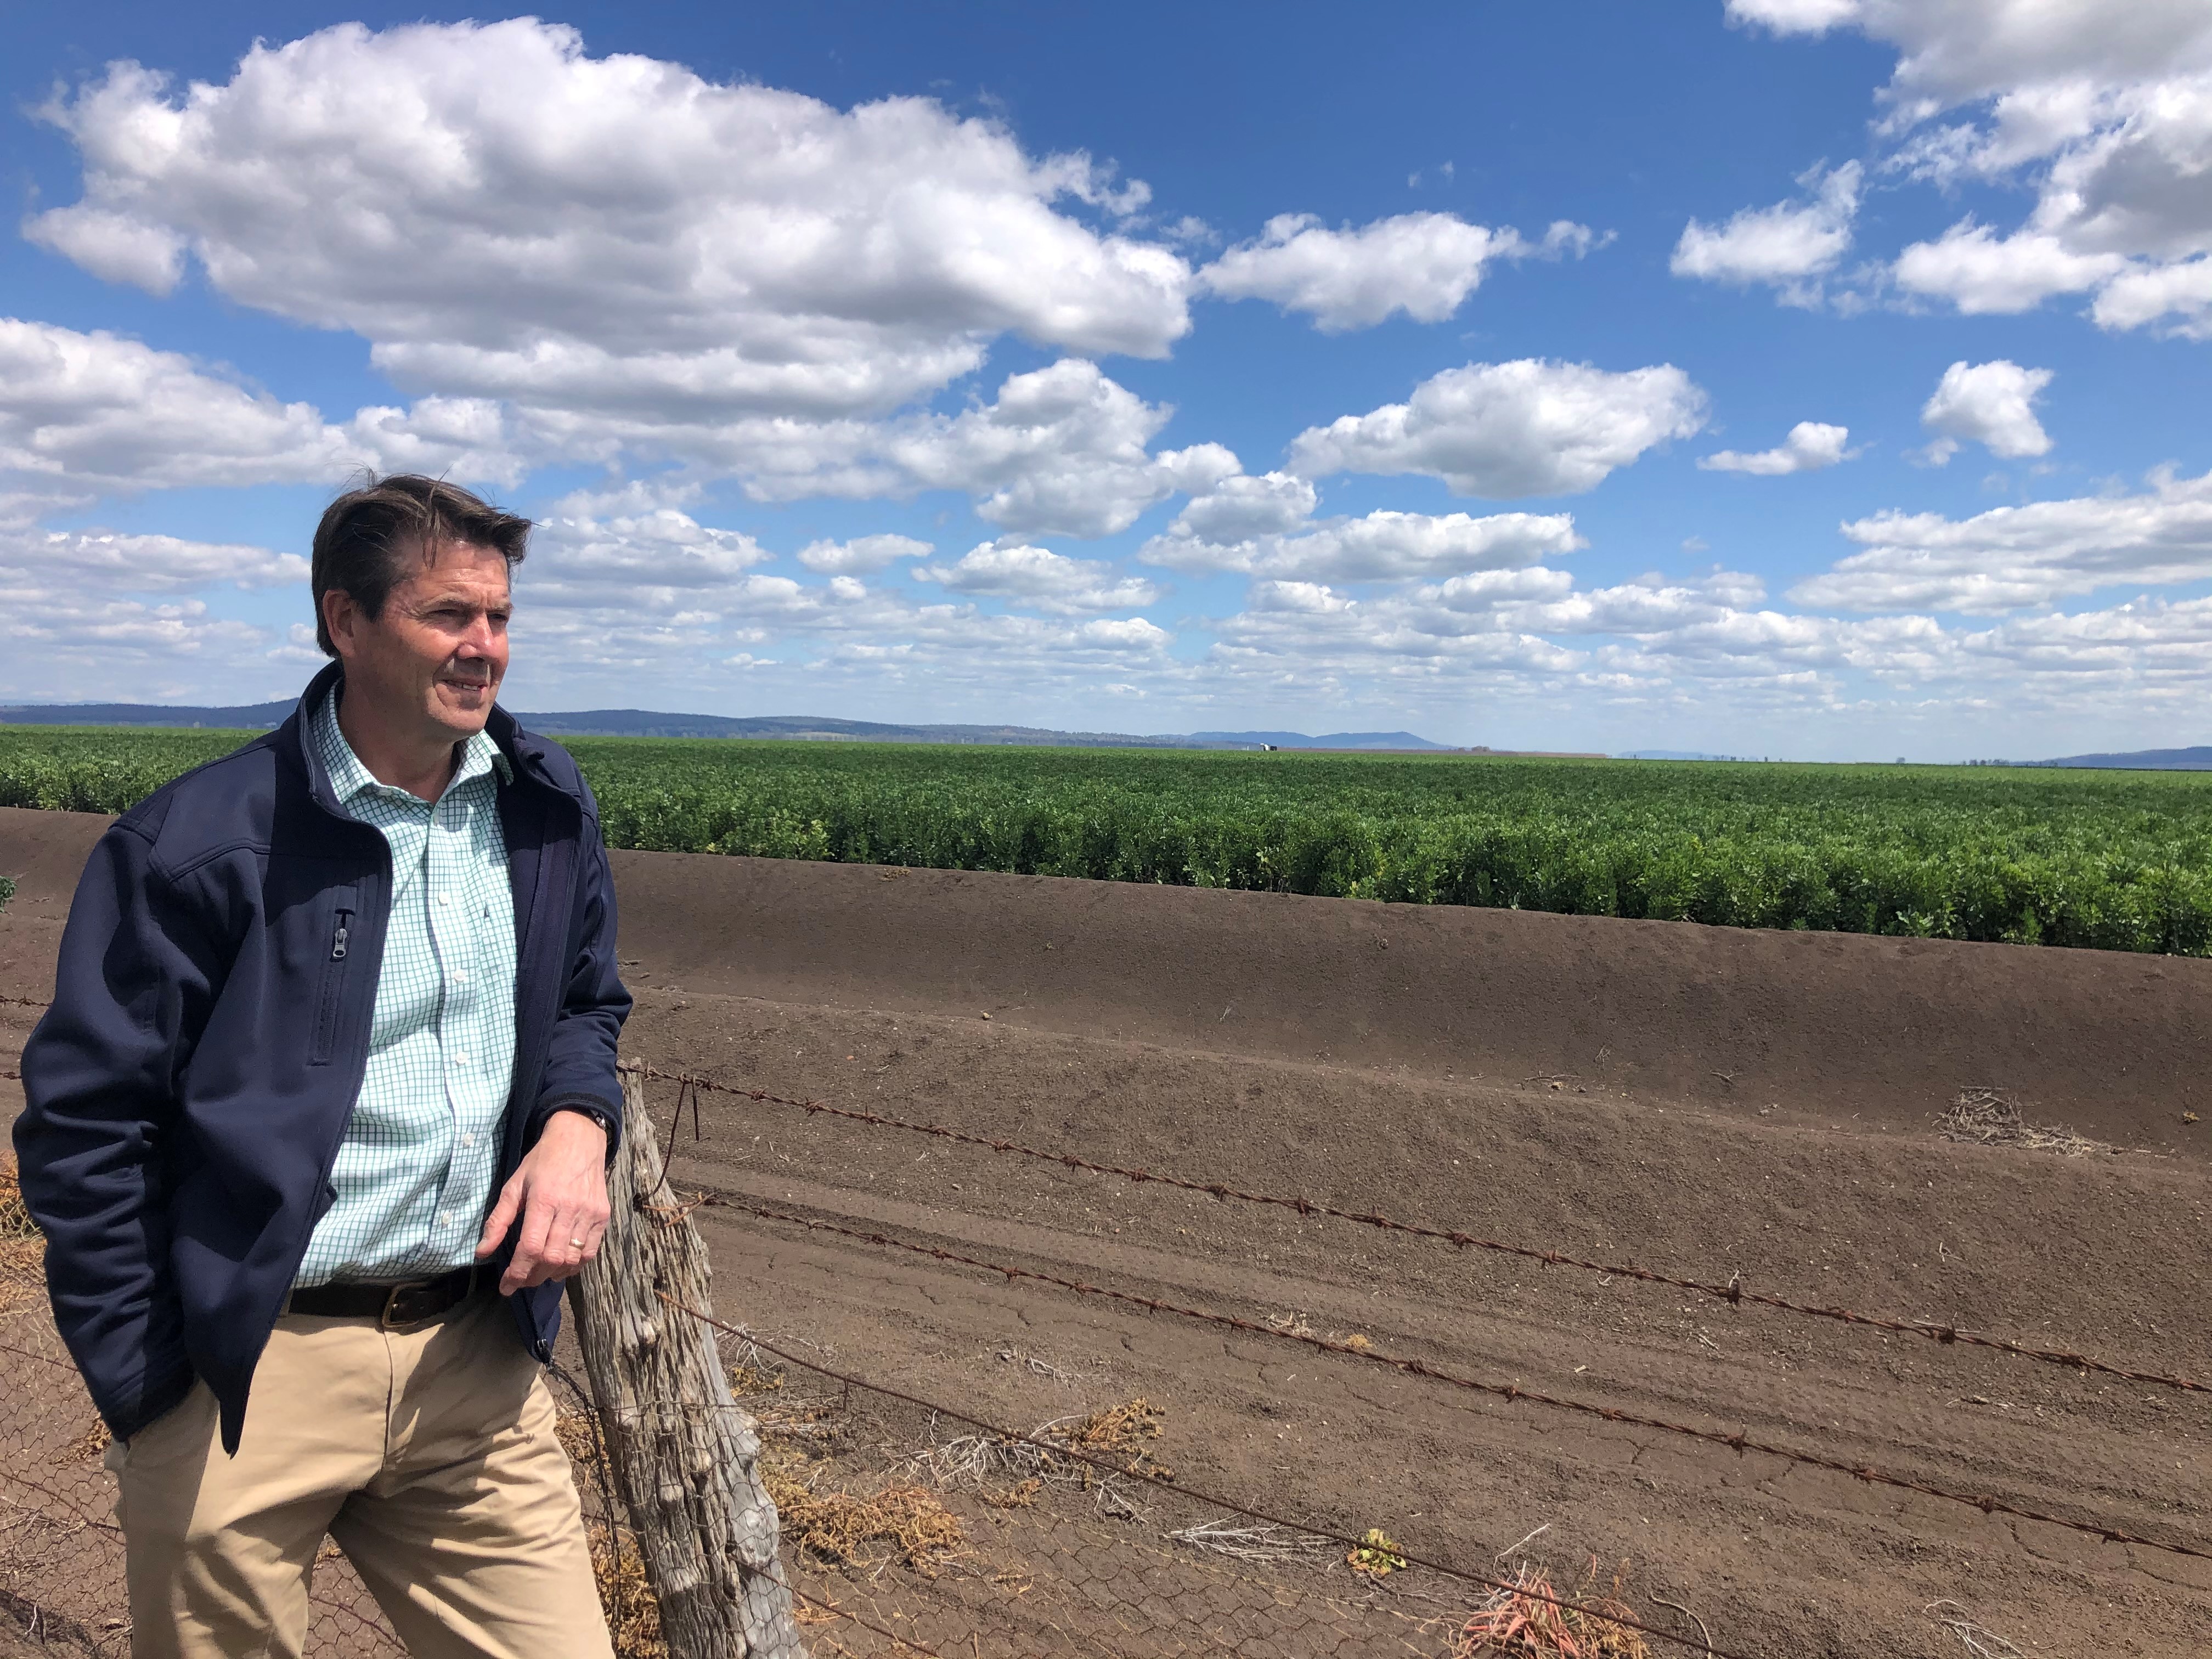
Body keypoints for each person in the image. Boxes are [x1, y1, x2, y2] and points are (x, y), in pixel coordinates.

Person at [14, 475, 632, 1659]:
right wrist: (154, 1387)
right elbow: (86, 1126)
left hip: (472, 1369)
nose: (485, 649)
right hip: (250, 1374)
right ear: (346, 622)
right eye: (450, 616)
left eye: (500, 618)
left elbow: (584, 1004)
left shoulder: (542, 808)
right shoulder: (201, 843)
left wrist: (576, 1127)